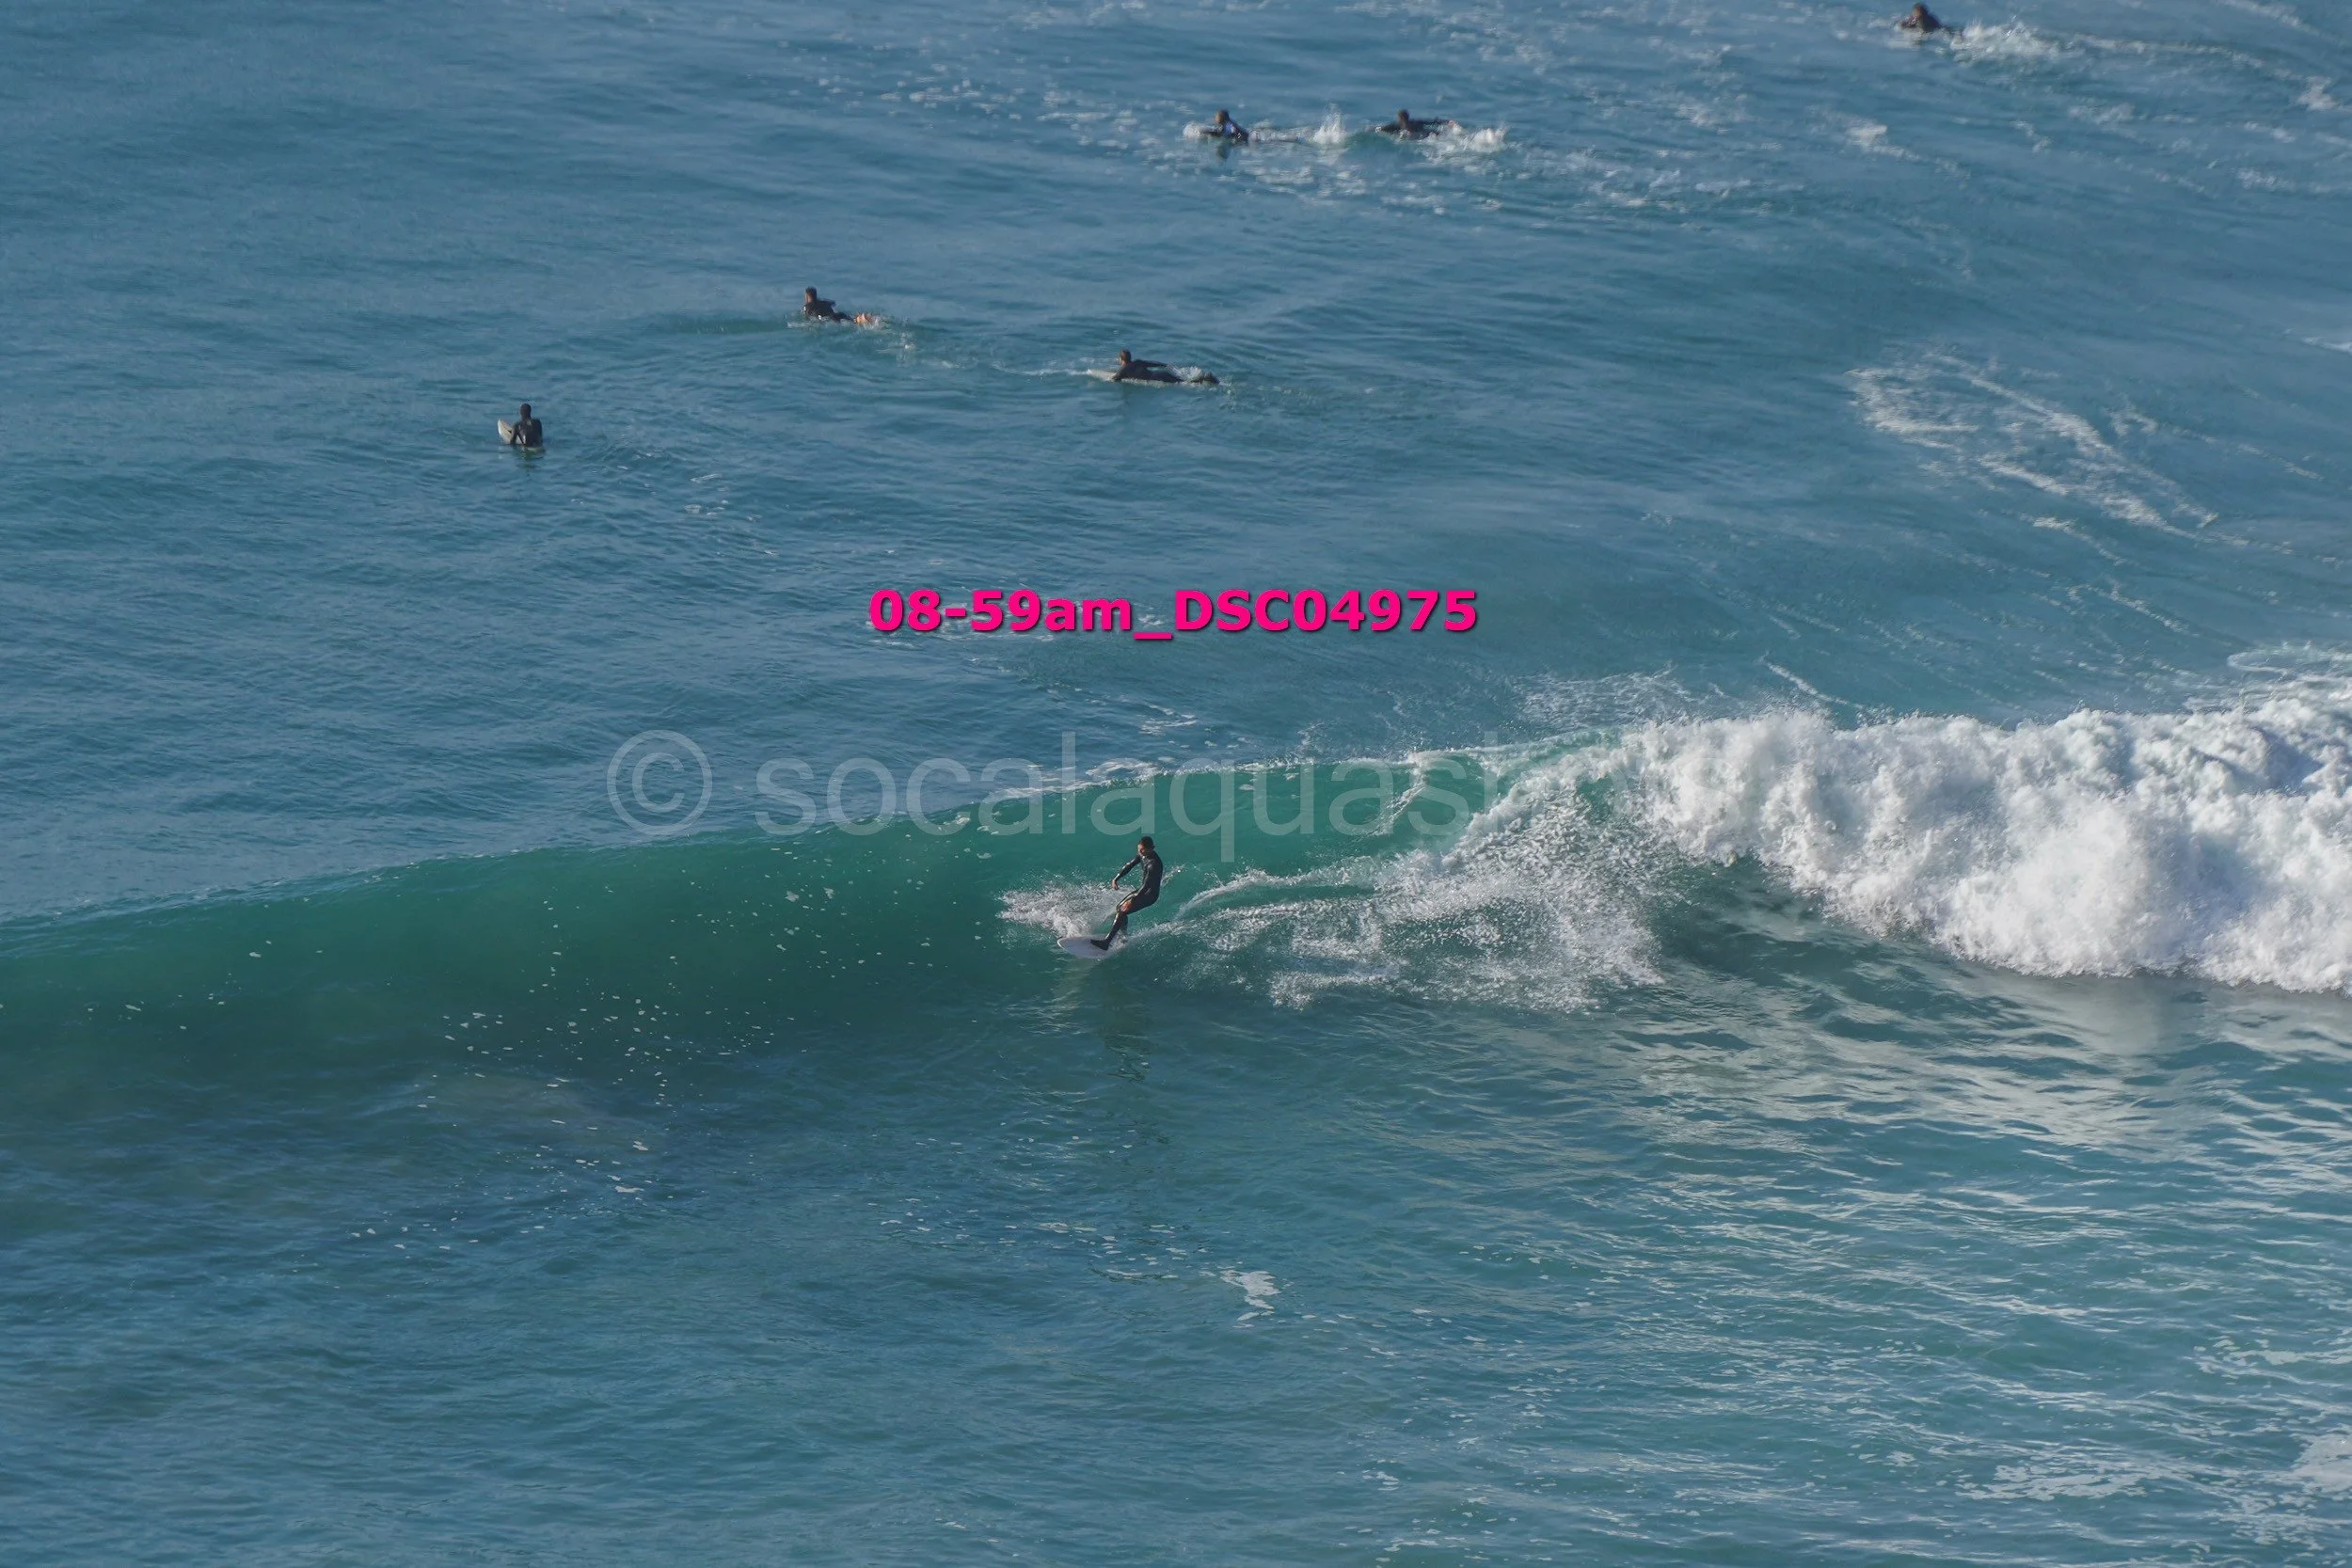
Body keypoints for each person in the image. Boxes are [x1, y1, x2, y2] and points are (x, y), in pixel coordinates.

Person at [1091, 836, 1164, 950]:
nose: (1140, 852)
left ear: (1151, 848)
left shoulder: (1154, 864)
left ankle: (1107, 942)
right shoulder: (1142, 854)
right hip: (1142, 891)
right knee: (1119, 908)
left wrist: (1132, 900)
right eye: (1139, 849)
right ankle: (1124, 936)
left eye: (1142, 850)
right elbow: (1130, 865)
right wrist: (1116, 878)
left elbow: (1147, 886)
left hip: (1150, 895)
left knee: (1123, 911)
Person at [1110, 349, 1217, 387]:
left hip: (1159, 379)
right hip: (1161, 373)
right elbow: (1151, 363)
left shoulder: (1123, 369)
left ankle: (1206, 378)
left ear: (1121, 359)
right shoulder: (1137, 362)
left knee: (1185, 384)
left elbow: (1114, 379)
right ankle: (1206, 378)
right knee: (1184, 382)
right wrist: (1164, 365)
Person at [803, 287, 877, 325]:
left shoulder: (807, 307)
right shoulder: (823, 302)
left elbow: (807, 316)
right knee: (853, 320)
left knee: (851, 324)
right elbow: (833, 303)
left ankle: (862, 320)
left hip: (829, 319)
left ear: (807, 296)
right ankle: (864, 319)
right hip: (837, 314)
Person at [1376, 109, 1455, 140]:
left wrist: (1373, 129)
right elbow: (1431, 121)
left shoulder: (1397, 125)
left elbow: (1382, 129)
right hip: (1426, 132)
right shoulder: (1416, 121)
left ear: (1399, 118)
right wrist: (1446, 122)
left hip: (1412, 135)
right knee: (1439, 134)